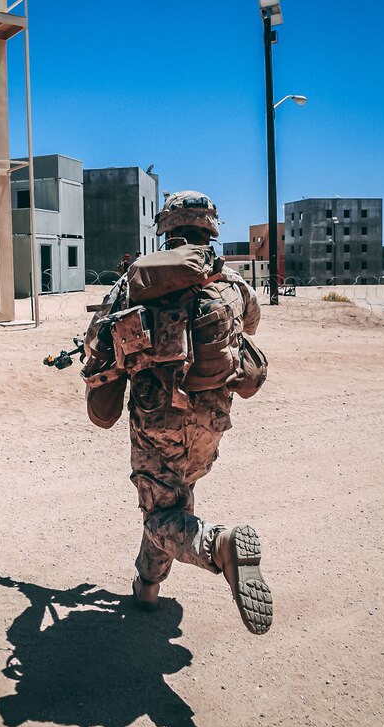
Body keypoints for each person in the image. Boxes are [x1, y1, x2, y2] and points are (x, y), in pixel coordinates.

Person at [80, 191, 272, 635]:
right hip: (211, 421)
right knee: (172, 496)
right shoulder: (233, 284)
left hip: (156, 420)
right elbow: (251, 327)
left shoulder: (133, 282)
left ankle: (218, 545)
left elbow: (96, 341)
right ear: (211, 229)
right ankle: (147, 586)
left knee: (160, 512)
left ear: (165, 229)